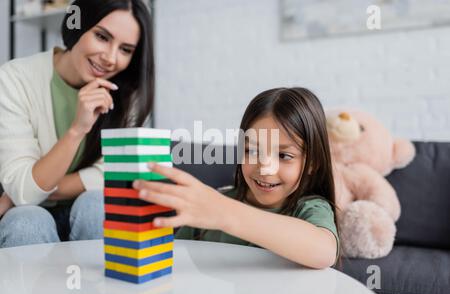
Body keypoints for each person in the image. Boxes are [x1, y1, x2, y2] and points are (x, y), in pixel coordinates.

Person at [0, 0, 154, 248]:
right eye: (102, 37)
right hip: (31, 213)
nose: (110, 58)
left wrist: (29, 189)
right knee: (25, 221)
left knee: (97, 205)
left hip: (87, 212)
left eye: (125, 49)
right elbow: (25, 195)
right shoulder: (14, 80)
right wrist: (77, 130)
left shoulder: (126, 93)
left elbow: (119, 173)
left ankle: (103, 288)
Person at [133, 87, 340, 269]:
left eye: (284, 156)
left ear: (313, 163)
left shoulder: (310, 209)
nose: (265, 168)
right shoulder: (211, 206)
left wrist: (223, 212)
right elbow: (173, 262)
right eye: (252, 151)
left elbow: (324, 252)